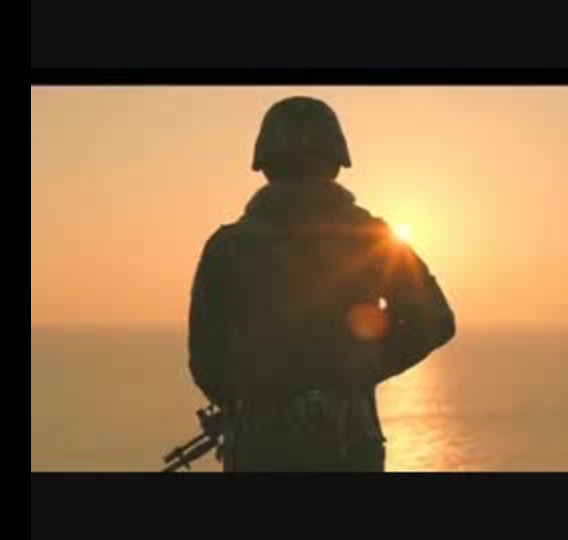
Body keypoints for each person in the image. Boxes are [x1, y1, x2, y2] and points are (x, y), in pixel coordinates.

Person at [188, 96, 455, 472]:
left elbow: (205, 360)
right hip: (351, 446)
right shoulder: (373, 238)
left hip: (258, 448)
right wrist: (361, 368)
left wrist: (253, 394)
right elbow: (435, 320)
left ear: (265, 165)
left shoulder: (226, 248)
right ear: (336, 163)